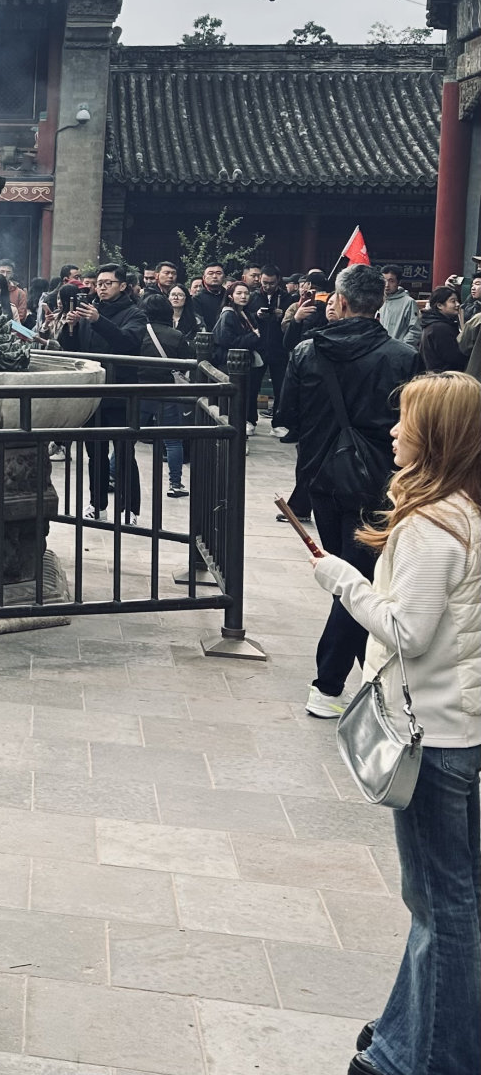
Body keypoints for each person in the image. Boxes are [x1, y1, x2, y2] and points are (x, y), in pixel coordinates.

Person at [307, 372, 481, 1075]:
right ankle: (404, 1036)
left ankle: (431, 1057)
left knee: (442, 909)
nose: (393, 432)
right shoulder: (466, 511)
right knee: (448, 900)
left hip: (431, 736)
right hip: (458, 725)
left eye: (406, 421)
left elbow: (407, 631)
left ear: (433, 436)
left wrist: (342, 580)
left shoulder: (429, 527)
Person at [276, 263, 419, 718]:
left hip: (320, 475)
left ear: (337, 300)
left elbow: (287, 418)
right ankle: (335, 683)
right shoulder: (402, 357)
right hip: (378, 480)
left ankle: (339, 681)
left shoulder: (305, 352)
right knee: (356, 580)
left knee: (349, 581)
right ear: (379, 302)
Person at [78, 264, 147, 520]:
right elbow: (77, 349)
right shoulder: (89, 312)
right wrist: (71, 327)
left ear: (122, 286)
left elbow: (126, 342)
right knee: (95, 453)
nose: (102, 287)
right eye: (99, 283)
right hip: (93, 393)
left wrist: (98, 321)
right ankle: (98, 505)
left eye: (108, 282)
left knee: (124, 452)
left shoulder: (135, 314)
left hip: (121, 392)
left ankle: (129, 507)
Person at [141, 293, 192, 498]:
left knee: (127, 436)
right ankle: (175, 484)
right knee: (172, 440)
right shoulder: (176, 336)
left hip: (139, 389)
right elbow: (187, 361)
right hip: (168, 390)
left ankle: (111, 474)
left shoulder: (138, 333)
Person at [210, 280, 264, 433]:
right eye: (239, 293)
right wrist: (253, 337)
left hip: (241, 361)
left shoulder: (245, 313)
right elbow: (226, 340)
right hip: (229, 361)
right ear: (231, 296)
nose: (243, 296)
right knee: (232, 399)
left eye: (246, 293)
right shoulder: (228, 314)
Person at [251, 266, 289, 426]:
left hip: (279, 348)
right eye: (265, 282)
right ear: (260, 279)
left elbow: (292, 320)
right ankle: (249, 420)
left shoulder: (287, 297)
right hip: (258, 347)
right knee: (252, 387)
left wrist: (283, 314)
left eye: (271, 283)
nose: (267, 286)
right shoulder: (252, 296)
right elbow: (245, 318)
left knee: (281, 388)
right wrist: (256, 315)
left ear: (278, 280)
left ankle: (279, 423)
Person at [418, 285, 462, 373]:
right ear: (440, 305)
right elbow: (454, 358)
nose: (457, 304)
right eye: (453, 301)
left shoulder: (433, 324)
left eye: (457, 301)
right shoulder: (440, 328)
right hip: (444, 378)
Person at [378, 266, 423, 348]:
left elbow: (415, 330)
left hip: (400, 351)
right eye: (384, 280)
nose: (387, 285)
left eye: (391, 281)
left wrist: (402, 347)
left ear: (399, 282)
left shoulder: (408, 302)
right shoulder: (379, 300)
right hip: (381, 350)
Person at [191, 263, 227, 331]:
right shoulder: (197, 299)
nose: (214, 276)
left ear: (224, 277)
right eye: (210, 273)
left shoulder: (230, 296)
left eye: (218, 273)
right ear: (204, 278)